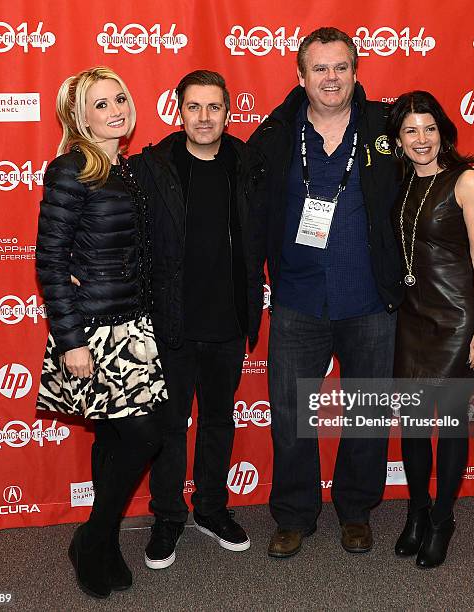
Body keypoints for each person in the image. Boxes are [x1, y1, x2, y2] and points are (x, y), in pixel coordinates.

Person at [248, 27, 403, 558]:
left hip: (369, 301)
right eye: (319, 68)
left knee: (367, 415)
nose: (330, 78)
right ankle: (294, 515)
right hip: (297, 299)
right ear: (301, 76)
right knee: (292, 417)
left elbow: (431, 175)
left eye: (340, 67)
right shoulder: (275, 134)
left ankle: (356, 511)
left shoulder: (388, 127)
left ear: (356, 73)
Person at [35, 66, 167, 598]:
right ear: (79, 117)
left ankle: (102, 541)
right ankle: (93, 540)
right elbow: (50, 261)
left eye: (119, 99)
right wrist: (71, 341)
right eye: (100, 104)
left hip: (133, 324)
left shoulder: (127, 170)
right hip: (92, 331)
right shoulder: (70, 170)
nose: (114, 110)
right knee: (144, 436)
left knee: (116, 436)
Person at [129, 70, 266, 569]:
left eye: (214, 108)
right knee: (169, 425)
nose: (204, 118)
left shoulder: (246, 162)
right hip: (172, 322)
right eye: (194, 107)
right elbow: (120, 230)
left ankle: (211, 508)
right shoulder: (152, 166)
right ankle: (168, 517)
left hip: (229, 321)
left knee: (217, 421)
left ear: (228, 112)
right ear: (178, 111)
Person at [387, 90, 474, 568]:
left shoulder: (466, 181)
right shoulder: (402, 182)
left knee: (450, 426)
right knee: (413, 425)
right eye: (411, 130)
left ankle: (443, 518)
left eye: (429, 128)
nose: (422, 139)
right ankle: (417, 512)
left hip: (457, 320)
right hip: (412, 318)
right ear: (398, 139)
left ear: (443, 131)